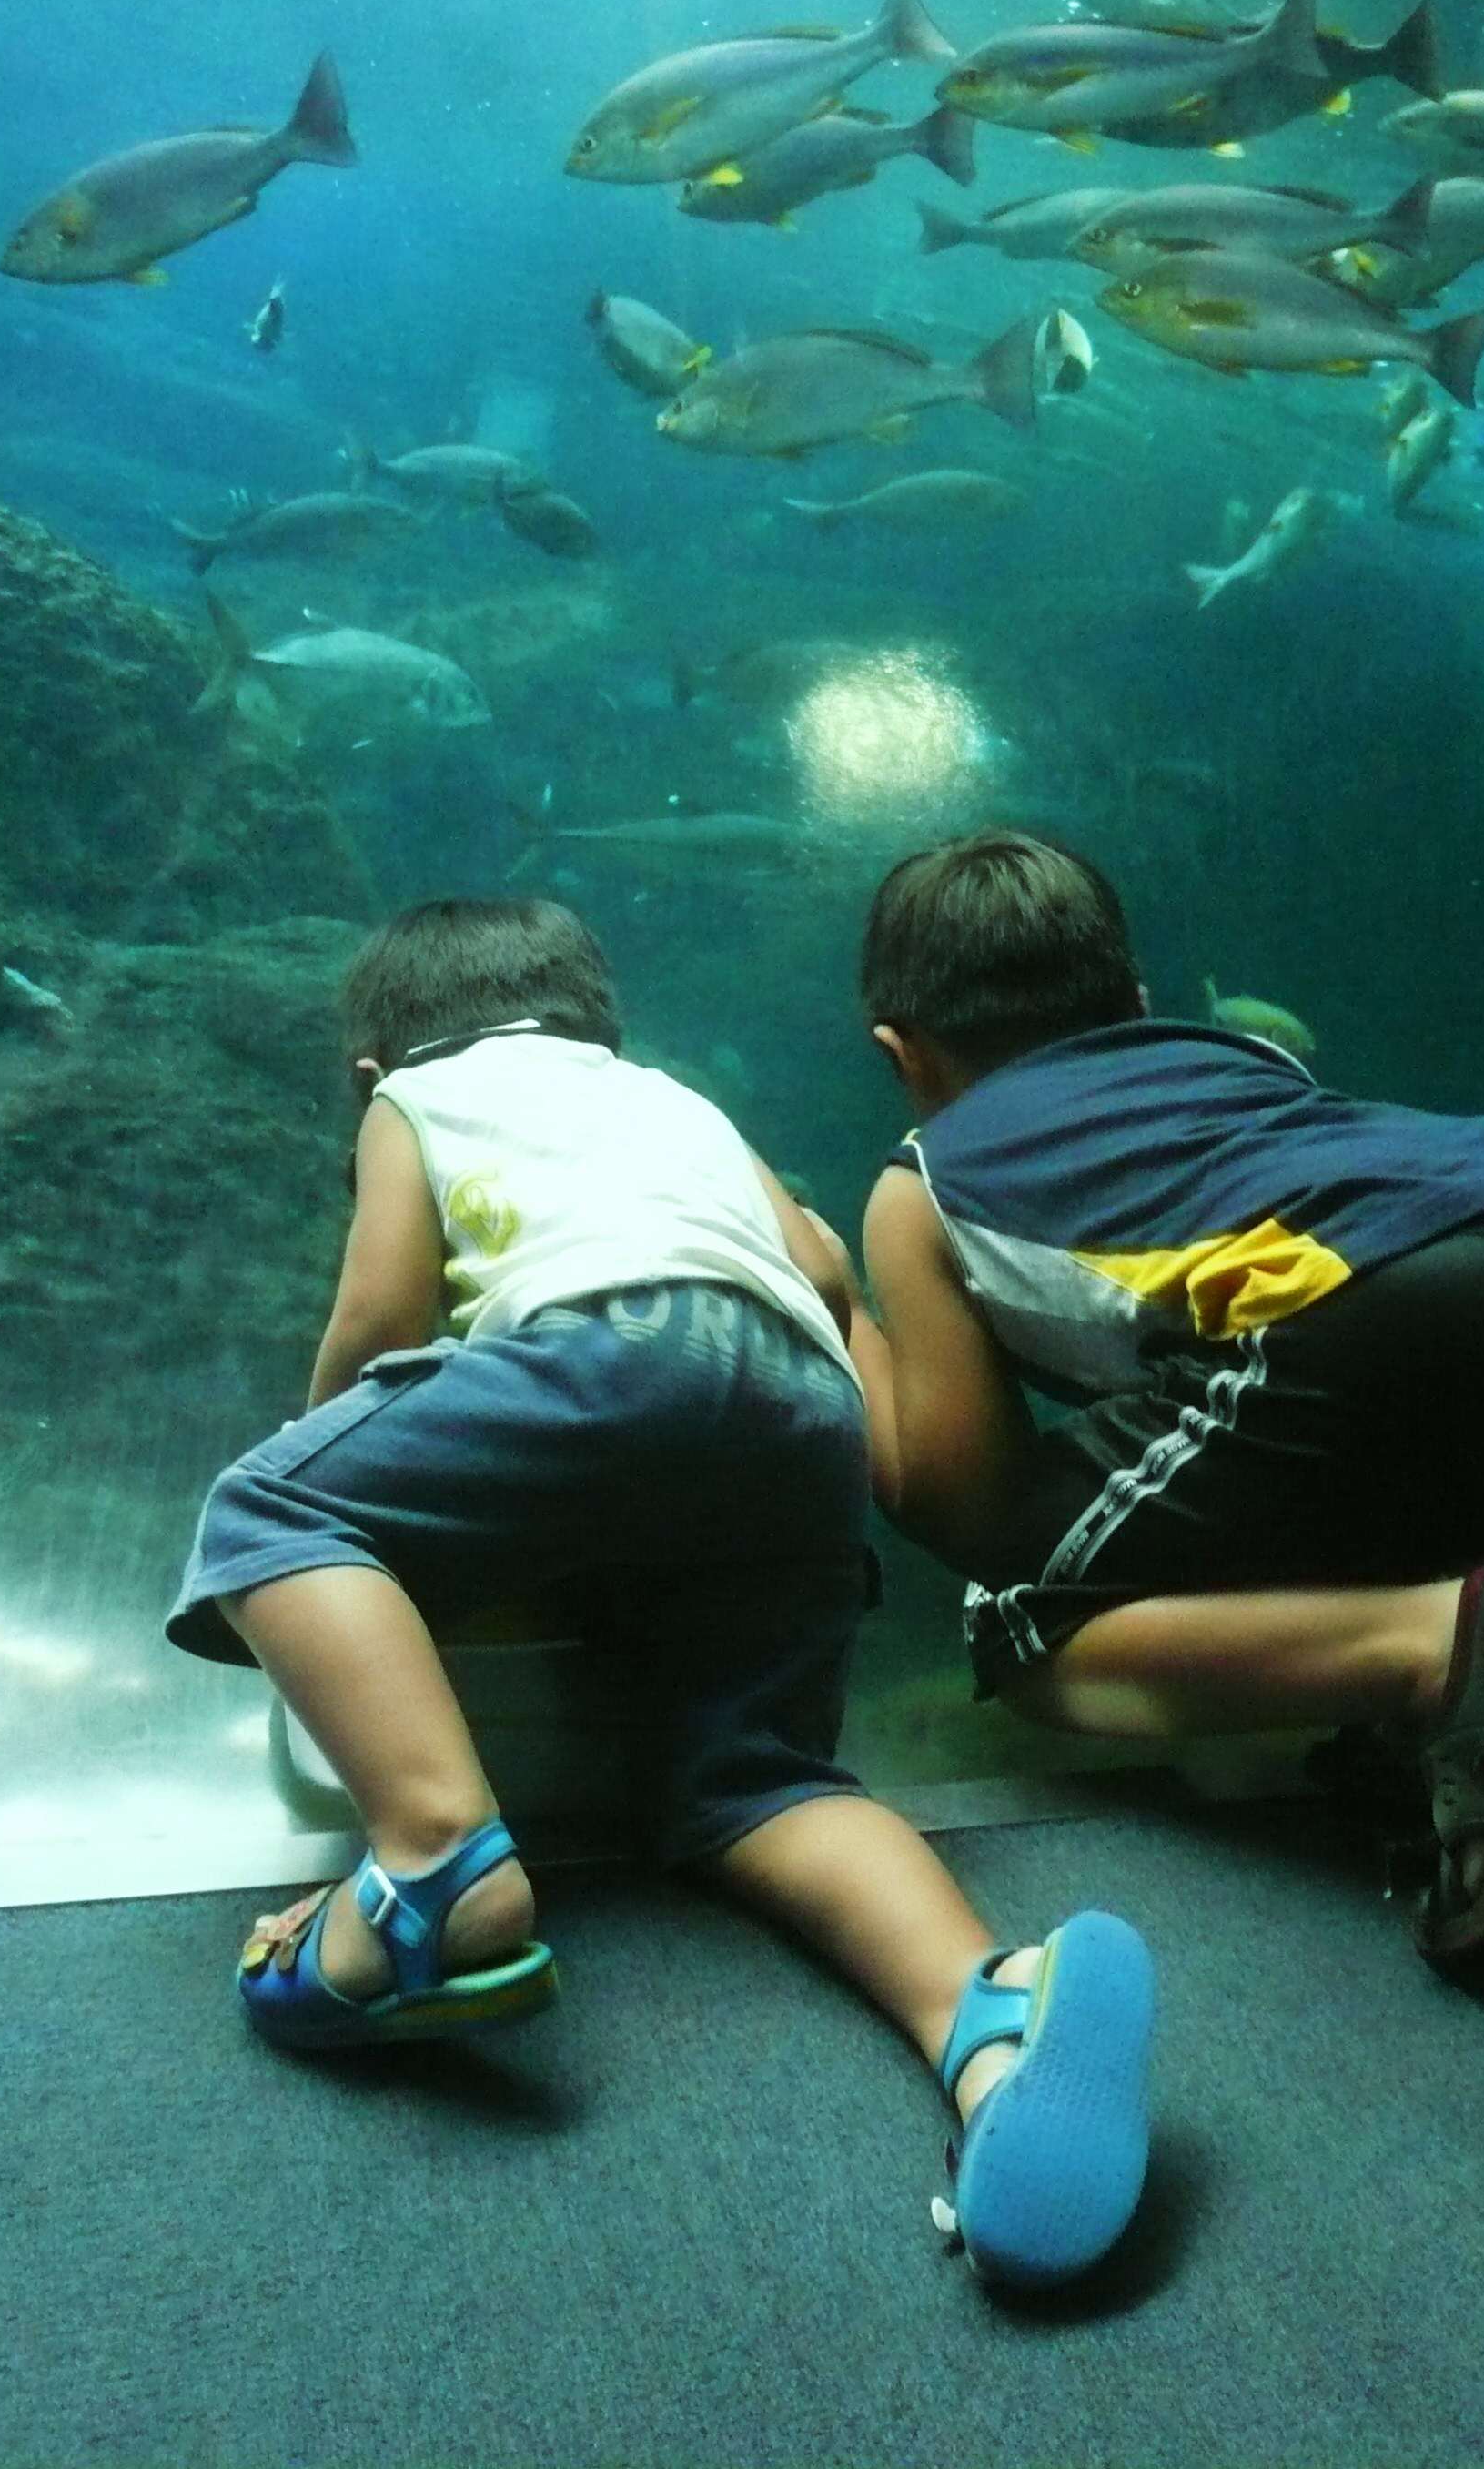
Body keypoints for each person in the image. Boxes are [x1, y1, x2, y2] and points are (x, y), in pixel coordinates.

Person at [163, 895, 1155, 2289]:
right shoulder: (672, 1100)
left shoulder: (420, 1100)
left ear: (369, 1074)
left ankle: (429, 1860)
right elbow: (813, 1261)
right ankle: (989, 2024)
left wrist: (351, 1472)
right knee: (756, 1780)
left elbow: (384, 1313)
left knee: (268, 1507)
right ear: (595, 1025)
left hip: (606, 1345)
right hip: (802, 1402)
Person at [840, 828, 1484, 1970]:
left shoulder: (926, 1177)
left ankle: (1441, 1655)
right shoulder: (1250, 1067)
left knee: (1019, 1610)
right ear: (1135, 1002)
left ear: (903, 1057)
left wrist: (837, 1300)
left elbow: (957, 1502)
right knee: (1384, 1450)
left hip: (1395, 1312)